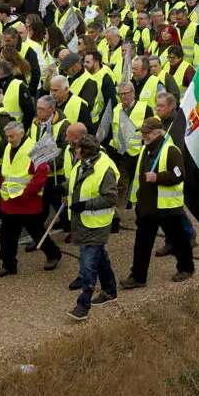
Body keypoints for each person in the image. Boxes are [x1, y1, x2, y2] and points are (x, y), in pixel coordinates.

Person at [124, 116, 195, 286]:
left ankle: (186, 268)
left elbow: (179, 175)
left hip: (167, 208)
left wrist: (158, 177)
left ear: (157, 133)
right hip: (147, 208)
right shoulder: (145, 149)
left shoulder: (171, 151)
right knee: (141, 244)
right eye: (143, 133)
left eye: (147, 133)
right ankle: (138, 277)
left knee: (179, 241)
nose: (144, 136)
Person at [0, 119, 62, 276]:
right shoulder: (9, 147)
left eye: (12, 136)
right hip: (10, 199)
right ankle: (9, 264)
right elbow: (7, 170)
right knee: (8, 234)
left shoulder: (33, 149)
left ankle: (53, 254)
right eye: (8, 136)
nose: (9, 139)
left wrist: (28, 192)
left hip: (27, 200)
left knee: (36, 231)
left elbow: (41, 173)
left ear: (22, 134)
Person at [65, 136, 121, 322]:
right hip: (84, 222)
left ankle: (83, 304)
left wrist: (85, 205)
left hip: (97, 224)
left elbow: (111, 198)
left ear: (83, 151)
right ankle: (109, 290)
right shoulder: (83, 163)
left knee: (88, 264)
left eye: (76, 148)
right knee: (100, 258)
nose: (73, 150)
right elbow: (80, 183)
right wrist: (63, 188)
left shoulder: (104, 169)